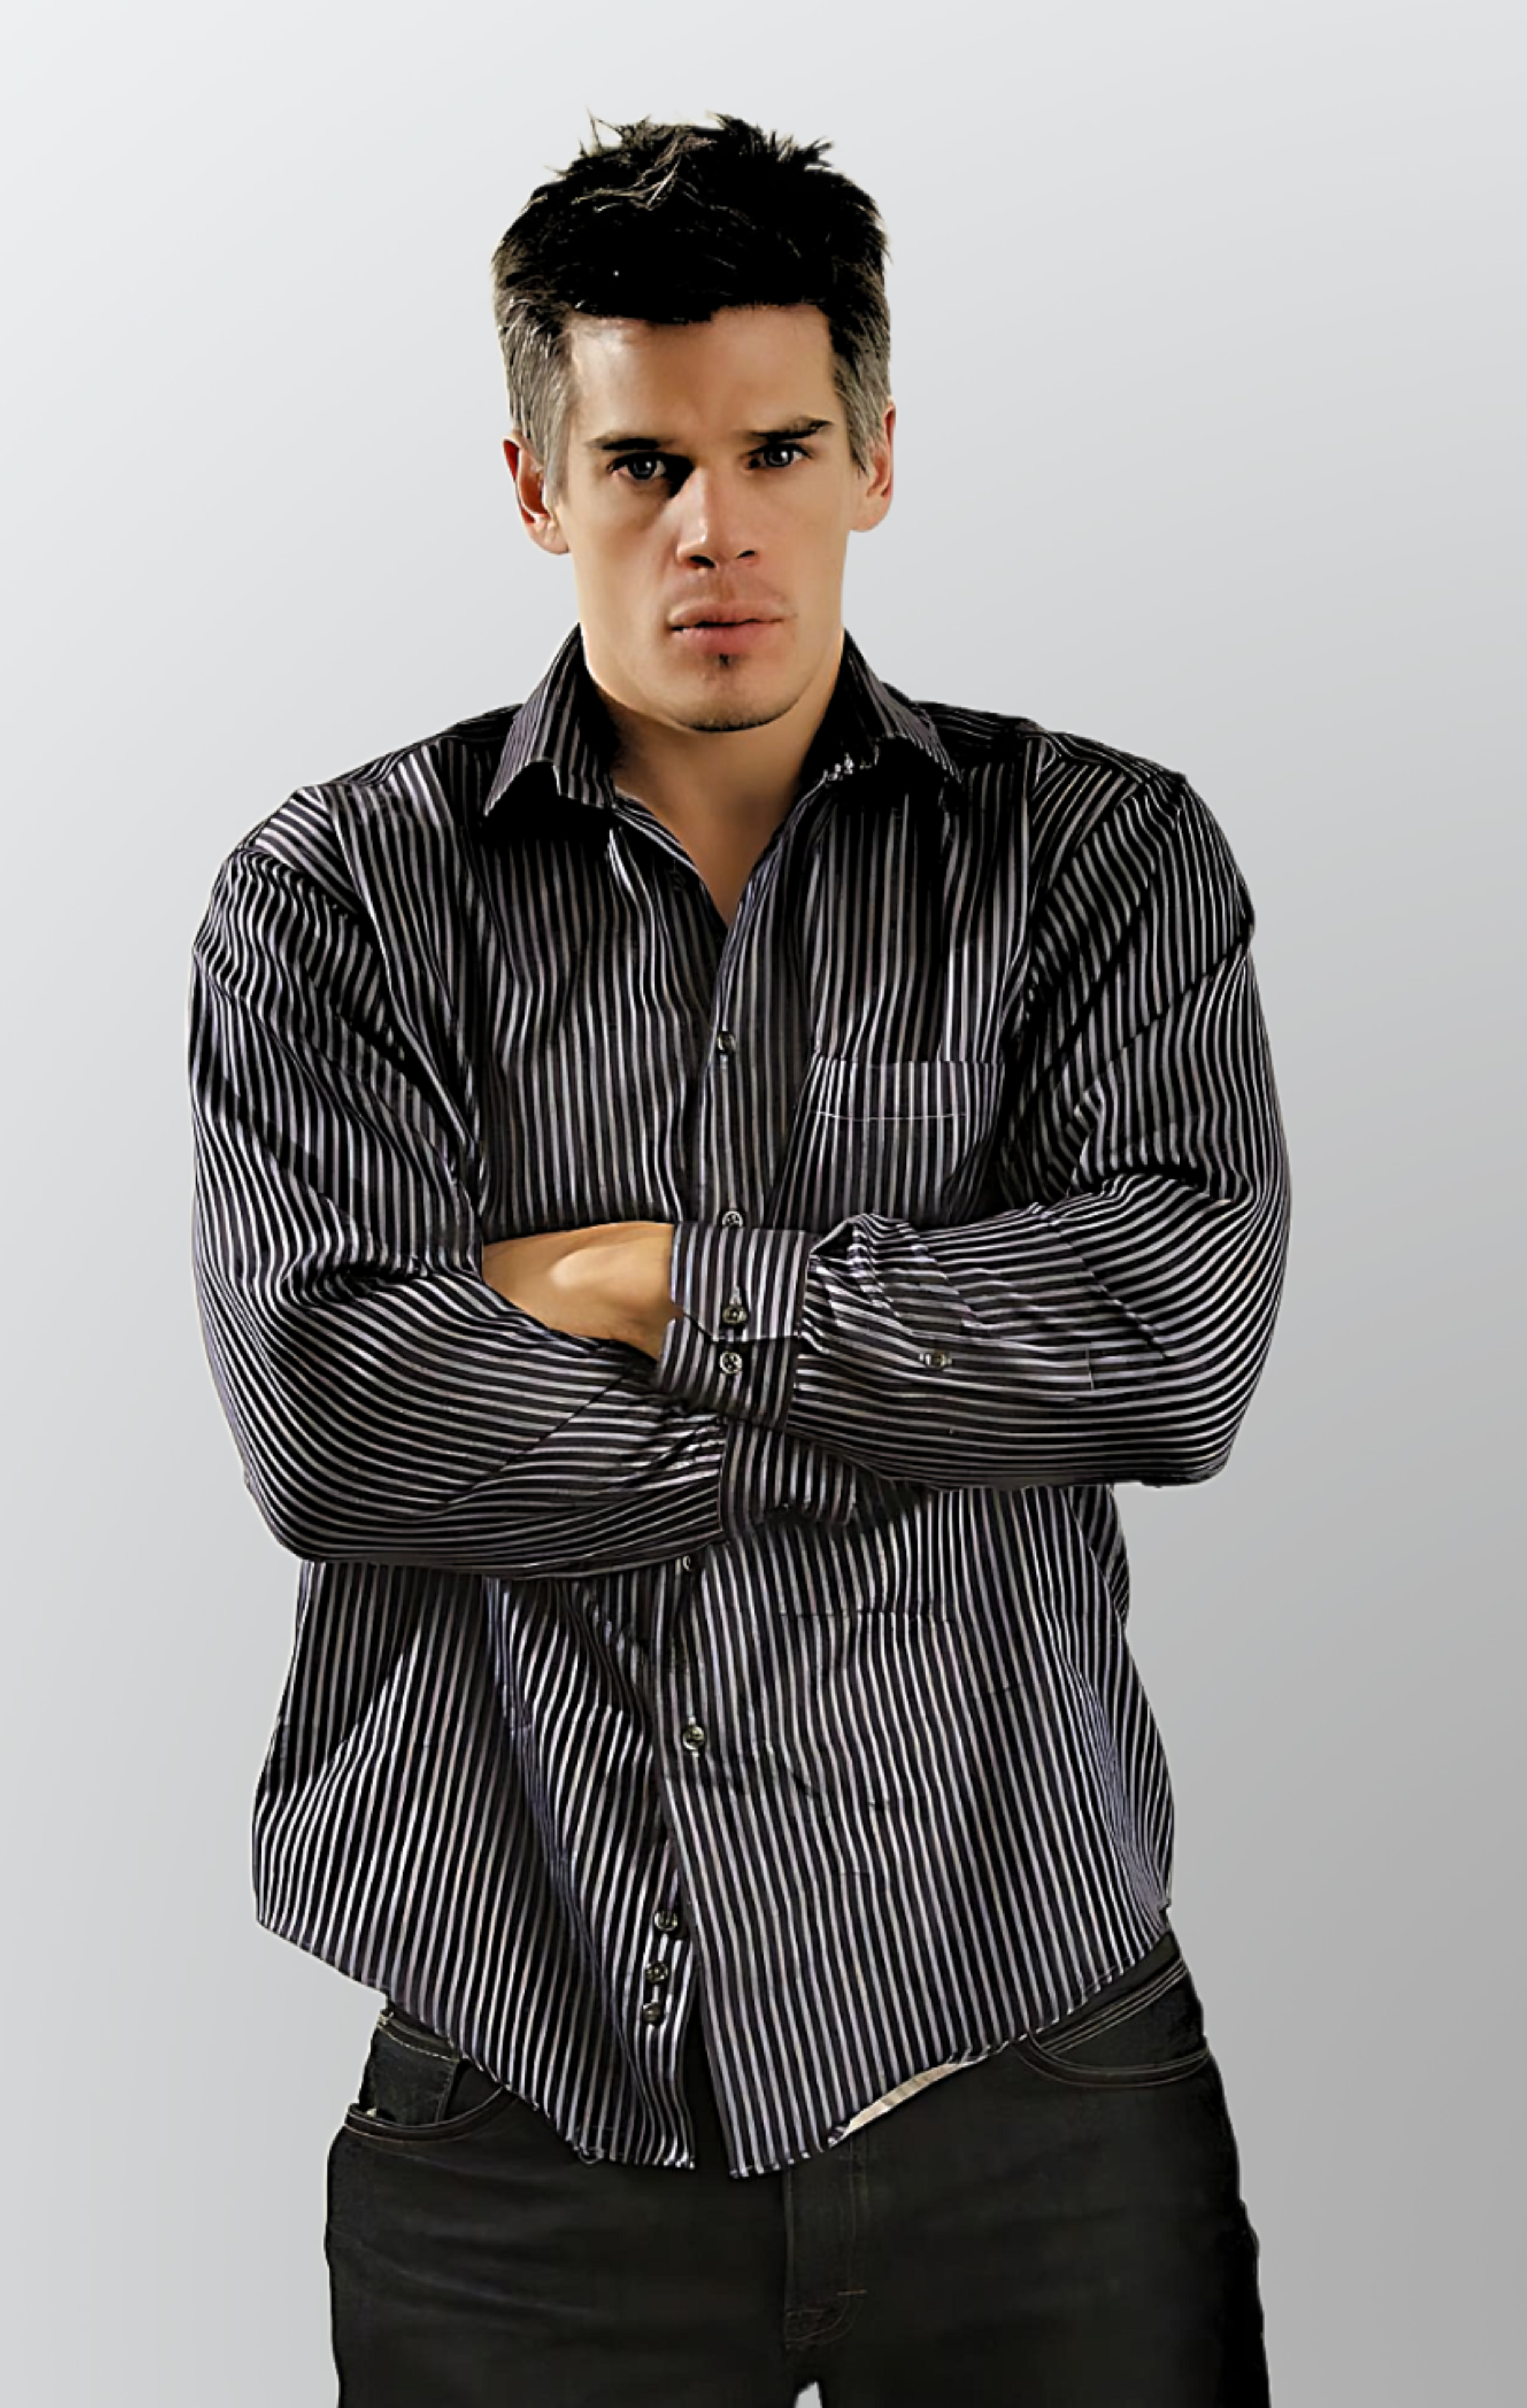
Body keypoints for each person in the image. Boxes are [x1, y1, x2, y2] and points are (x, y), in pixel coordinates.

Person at [187, 110, 1290, 2407]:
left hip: (1034, 2081)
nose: (717, 528)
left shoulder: (1095, 864)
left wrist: (650, 1288)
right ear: (536, 488)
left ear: (876, 457)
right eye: (643, 464)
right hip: (516, 2103)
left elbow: (1173, 1352)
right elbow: (339, 1427)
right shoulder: (335, 902)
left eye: (779, 449)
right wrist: (932, 1403)